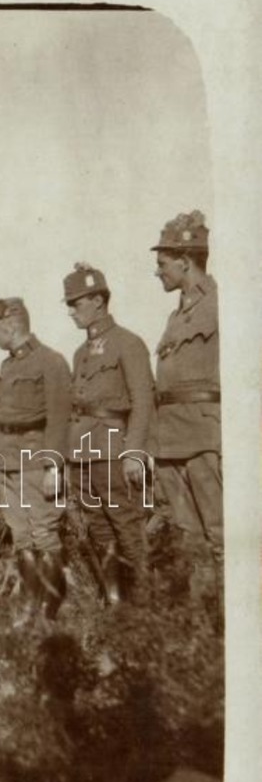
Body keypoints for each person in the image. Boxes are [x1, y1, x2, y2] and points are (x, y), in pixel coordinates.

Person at [64, 263, 155, 604]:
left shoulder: (128, 343)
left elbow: (143, 401)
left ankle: (143, 609)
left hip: (114, 451)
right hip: (83, 454)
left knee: (127, 528)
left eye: (77, 303)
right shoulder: (80, 353)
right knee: (98, 529)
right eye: (69, 304)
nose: (71, 311)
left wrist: (134, 451)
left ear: (99, 301)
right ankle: (115, 605)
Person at [151, 210, 222, 610]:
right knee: (190, 542)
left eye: (162, 264)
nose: (157, 271)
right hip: (171, 441)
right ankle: (203, 631)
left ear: (184, 260)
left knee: (222, 536)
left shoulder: (223, 306)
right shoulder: (175, 317)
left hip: (205, 437)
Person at [0, 297, 71, 620]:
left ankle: (50, 608)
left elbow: (60, 417)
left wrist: (54, 467)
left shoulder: (50, 361)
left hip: (37, 461)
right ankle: (29, 604)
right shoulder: (7, 366)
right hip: (9, 461)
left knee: (44, 532)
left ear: (9, 326)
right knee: (20, 534)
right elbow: (0, 418)